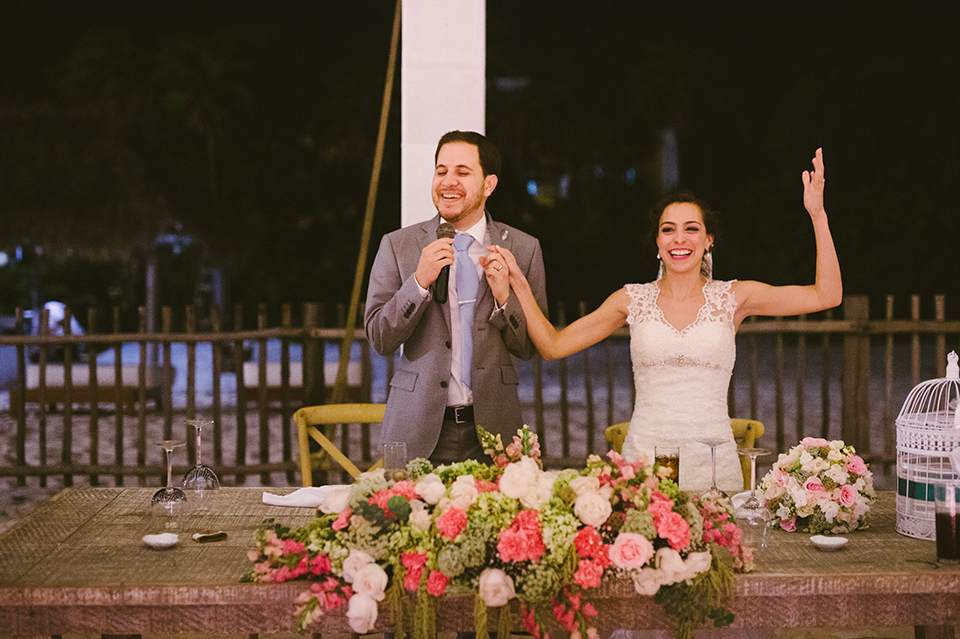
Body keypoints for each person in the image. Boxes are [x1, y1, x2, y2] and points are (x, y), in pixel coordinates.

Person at [497, 148, 841, 493]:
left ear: (708, 241)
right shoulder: (631, 299)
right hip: (644, 467)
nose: (679, 239)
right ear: (658, 244)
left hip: (714, 468)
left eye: (691, 229)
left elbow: (827, 295)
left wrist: (818, 215)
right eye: (668, 230)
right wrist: (520, 286)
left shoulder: (734, 297)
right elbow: (553, 346)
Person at [364, 130, 548, 465]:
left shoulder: (523, 248)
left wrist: (505, 299)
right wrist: (418, 283)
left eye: (462, 172)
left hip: (495, 434)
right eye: (441, 171)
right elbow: (379, 338)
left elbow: (529, 348)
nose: (448, 182)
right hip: (416, 431)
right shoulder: (399, 245)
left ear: (489, 184)